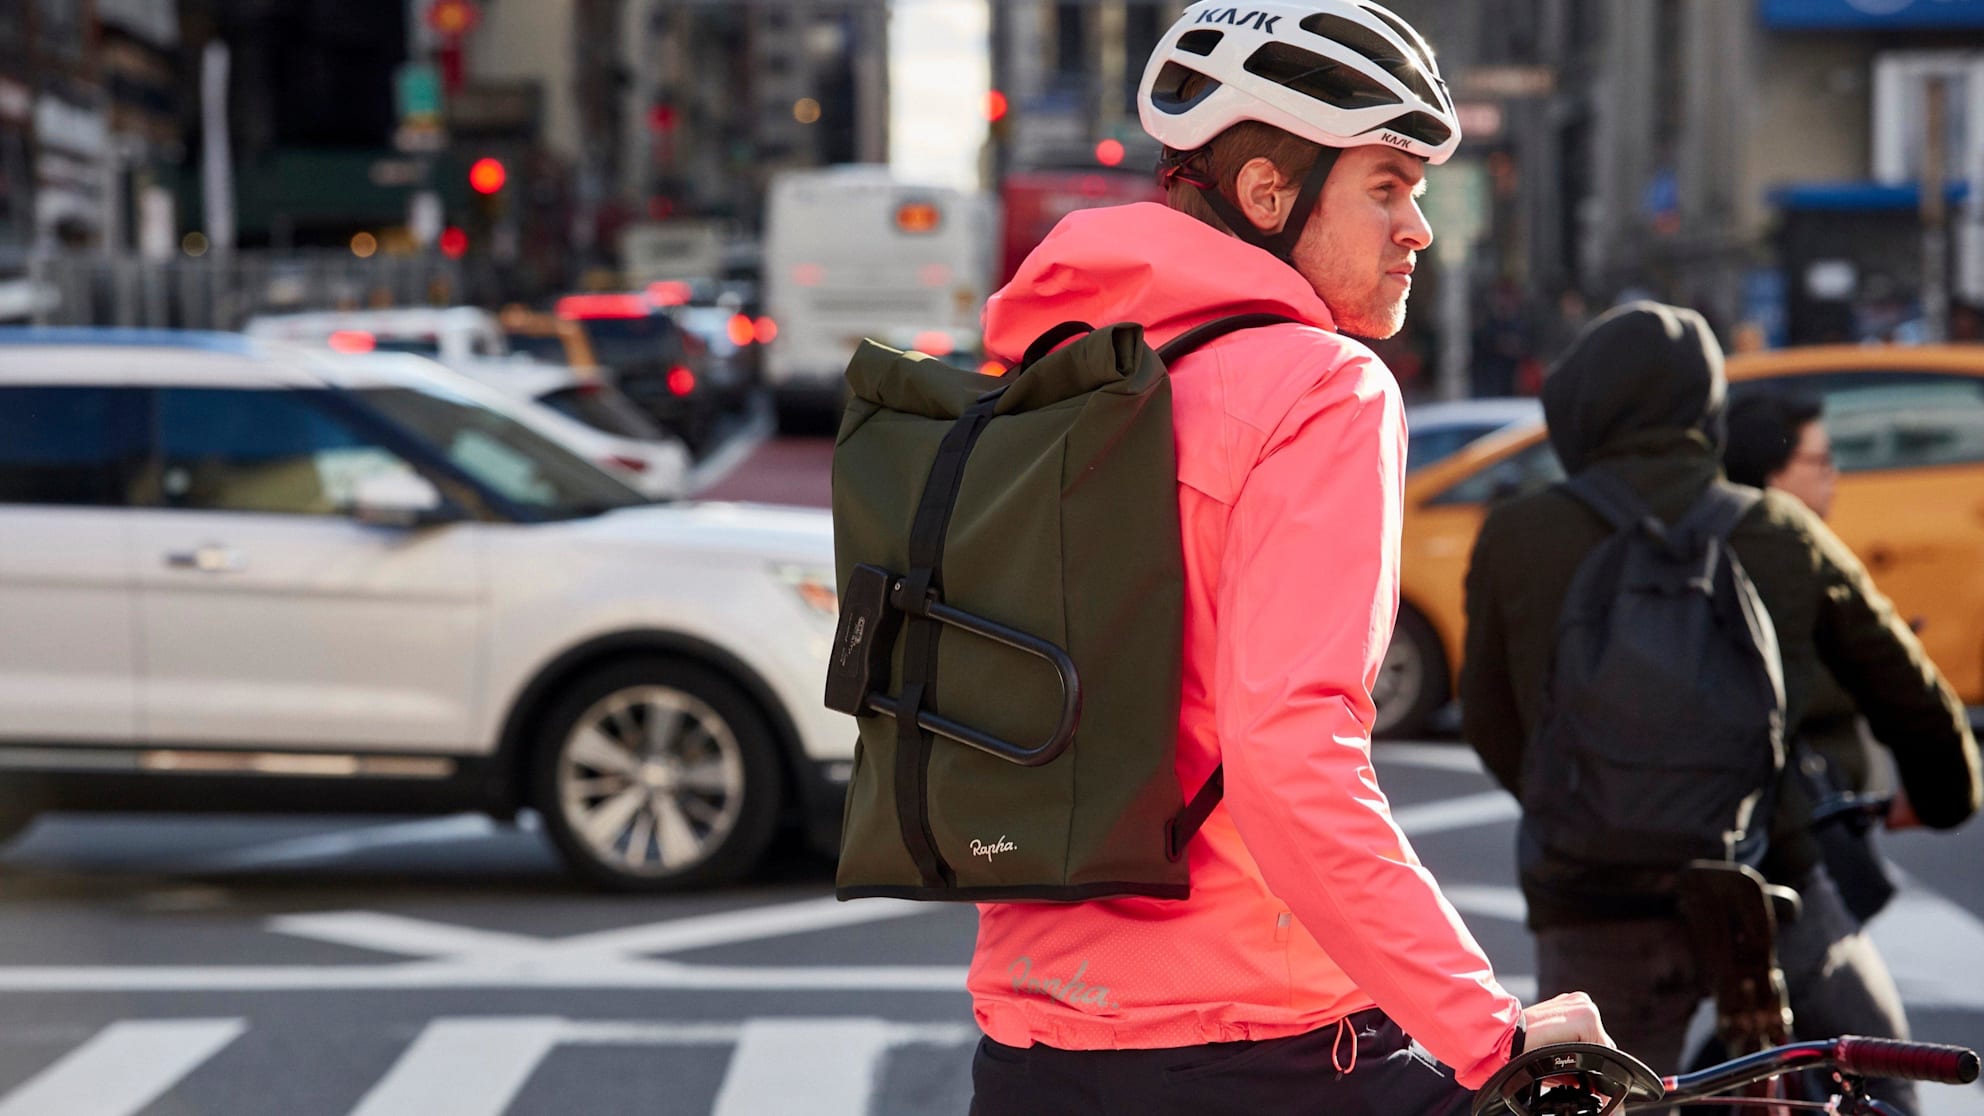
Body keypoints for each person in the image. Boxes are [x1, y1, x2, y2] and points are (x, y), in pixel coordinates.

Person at [965, 5, 1610, 1114]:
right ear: (1268, 194)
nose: (1419, 228)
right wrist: (1489, 1031)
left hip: (1030, 1037)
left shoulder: (1053, 370)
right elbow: (1287, 756)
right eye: (1385, 186)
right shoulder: (1322, 388)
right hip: (1256, 1049)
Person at [1460, 302, 1981, 1115]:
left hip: (1591, 895)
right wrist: (1945, 798)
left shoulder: (1519, 535)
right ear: (1705, 408)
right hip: (1768, 880)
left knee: (1592, 1097)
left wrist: (1589, 802)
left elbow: (1488, 717)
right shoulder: (1776, 527)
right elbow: (1912, 694)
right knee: (1877, 1070)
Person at [1724, 391, 1904, 927]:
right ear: (1775, 475)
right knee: (1853, 1008)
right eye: (1819, 461)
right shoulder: (1781, 554)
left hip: (1787, 827)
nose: (1834, 476)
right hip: (1792, 837)